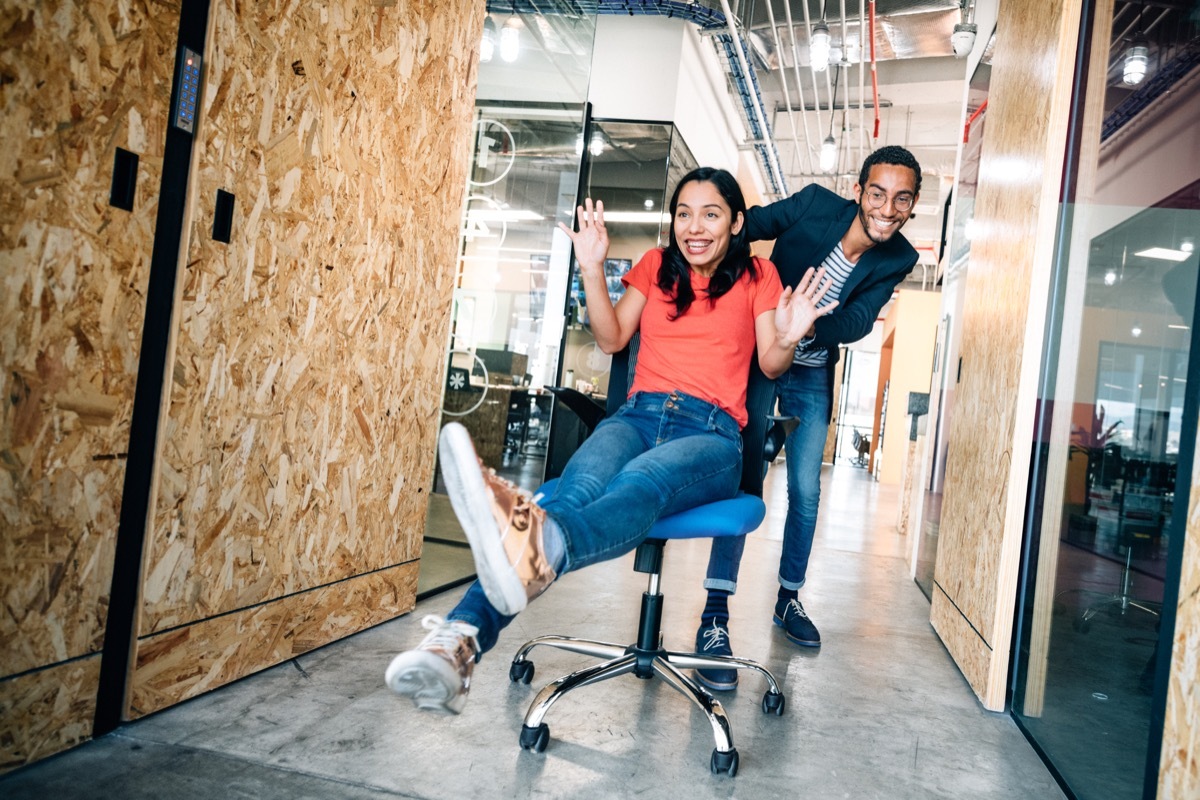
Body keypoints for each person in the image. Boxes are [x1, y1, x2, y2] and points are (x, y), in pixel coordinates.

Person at [385, 167, 837, 713]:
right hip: (637, 416)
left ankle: (497, 596)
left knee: (637, 481)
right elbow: (611, 337)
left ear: (737, 223)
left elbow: (770, 363)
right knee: (570, 493)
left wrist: (788, 337)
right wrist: (592, 268)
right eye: (684, 214)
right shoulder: (655, 266)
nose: (694, 227)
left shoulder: (759, 275)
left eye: (711, 214)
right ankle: (456, 644)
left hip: (712, 432)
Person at [693, 146, 922, 691]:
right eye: (878, 193)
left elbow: (860, 318)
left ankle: (789, 598)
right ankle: (715, 614)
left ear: (913, 205)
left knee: (807, 491)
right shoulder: (815, 204)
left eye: (902, 199)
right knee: (744, 479)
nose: (887, 208)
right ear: (859, 190)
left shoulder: (899, 257)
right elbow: (747, 225)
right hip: (762, 359)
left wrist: (808, 325)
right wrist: (733, 291)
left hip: (812, 371)